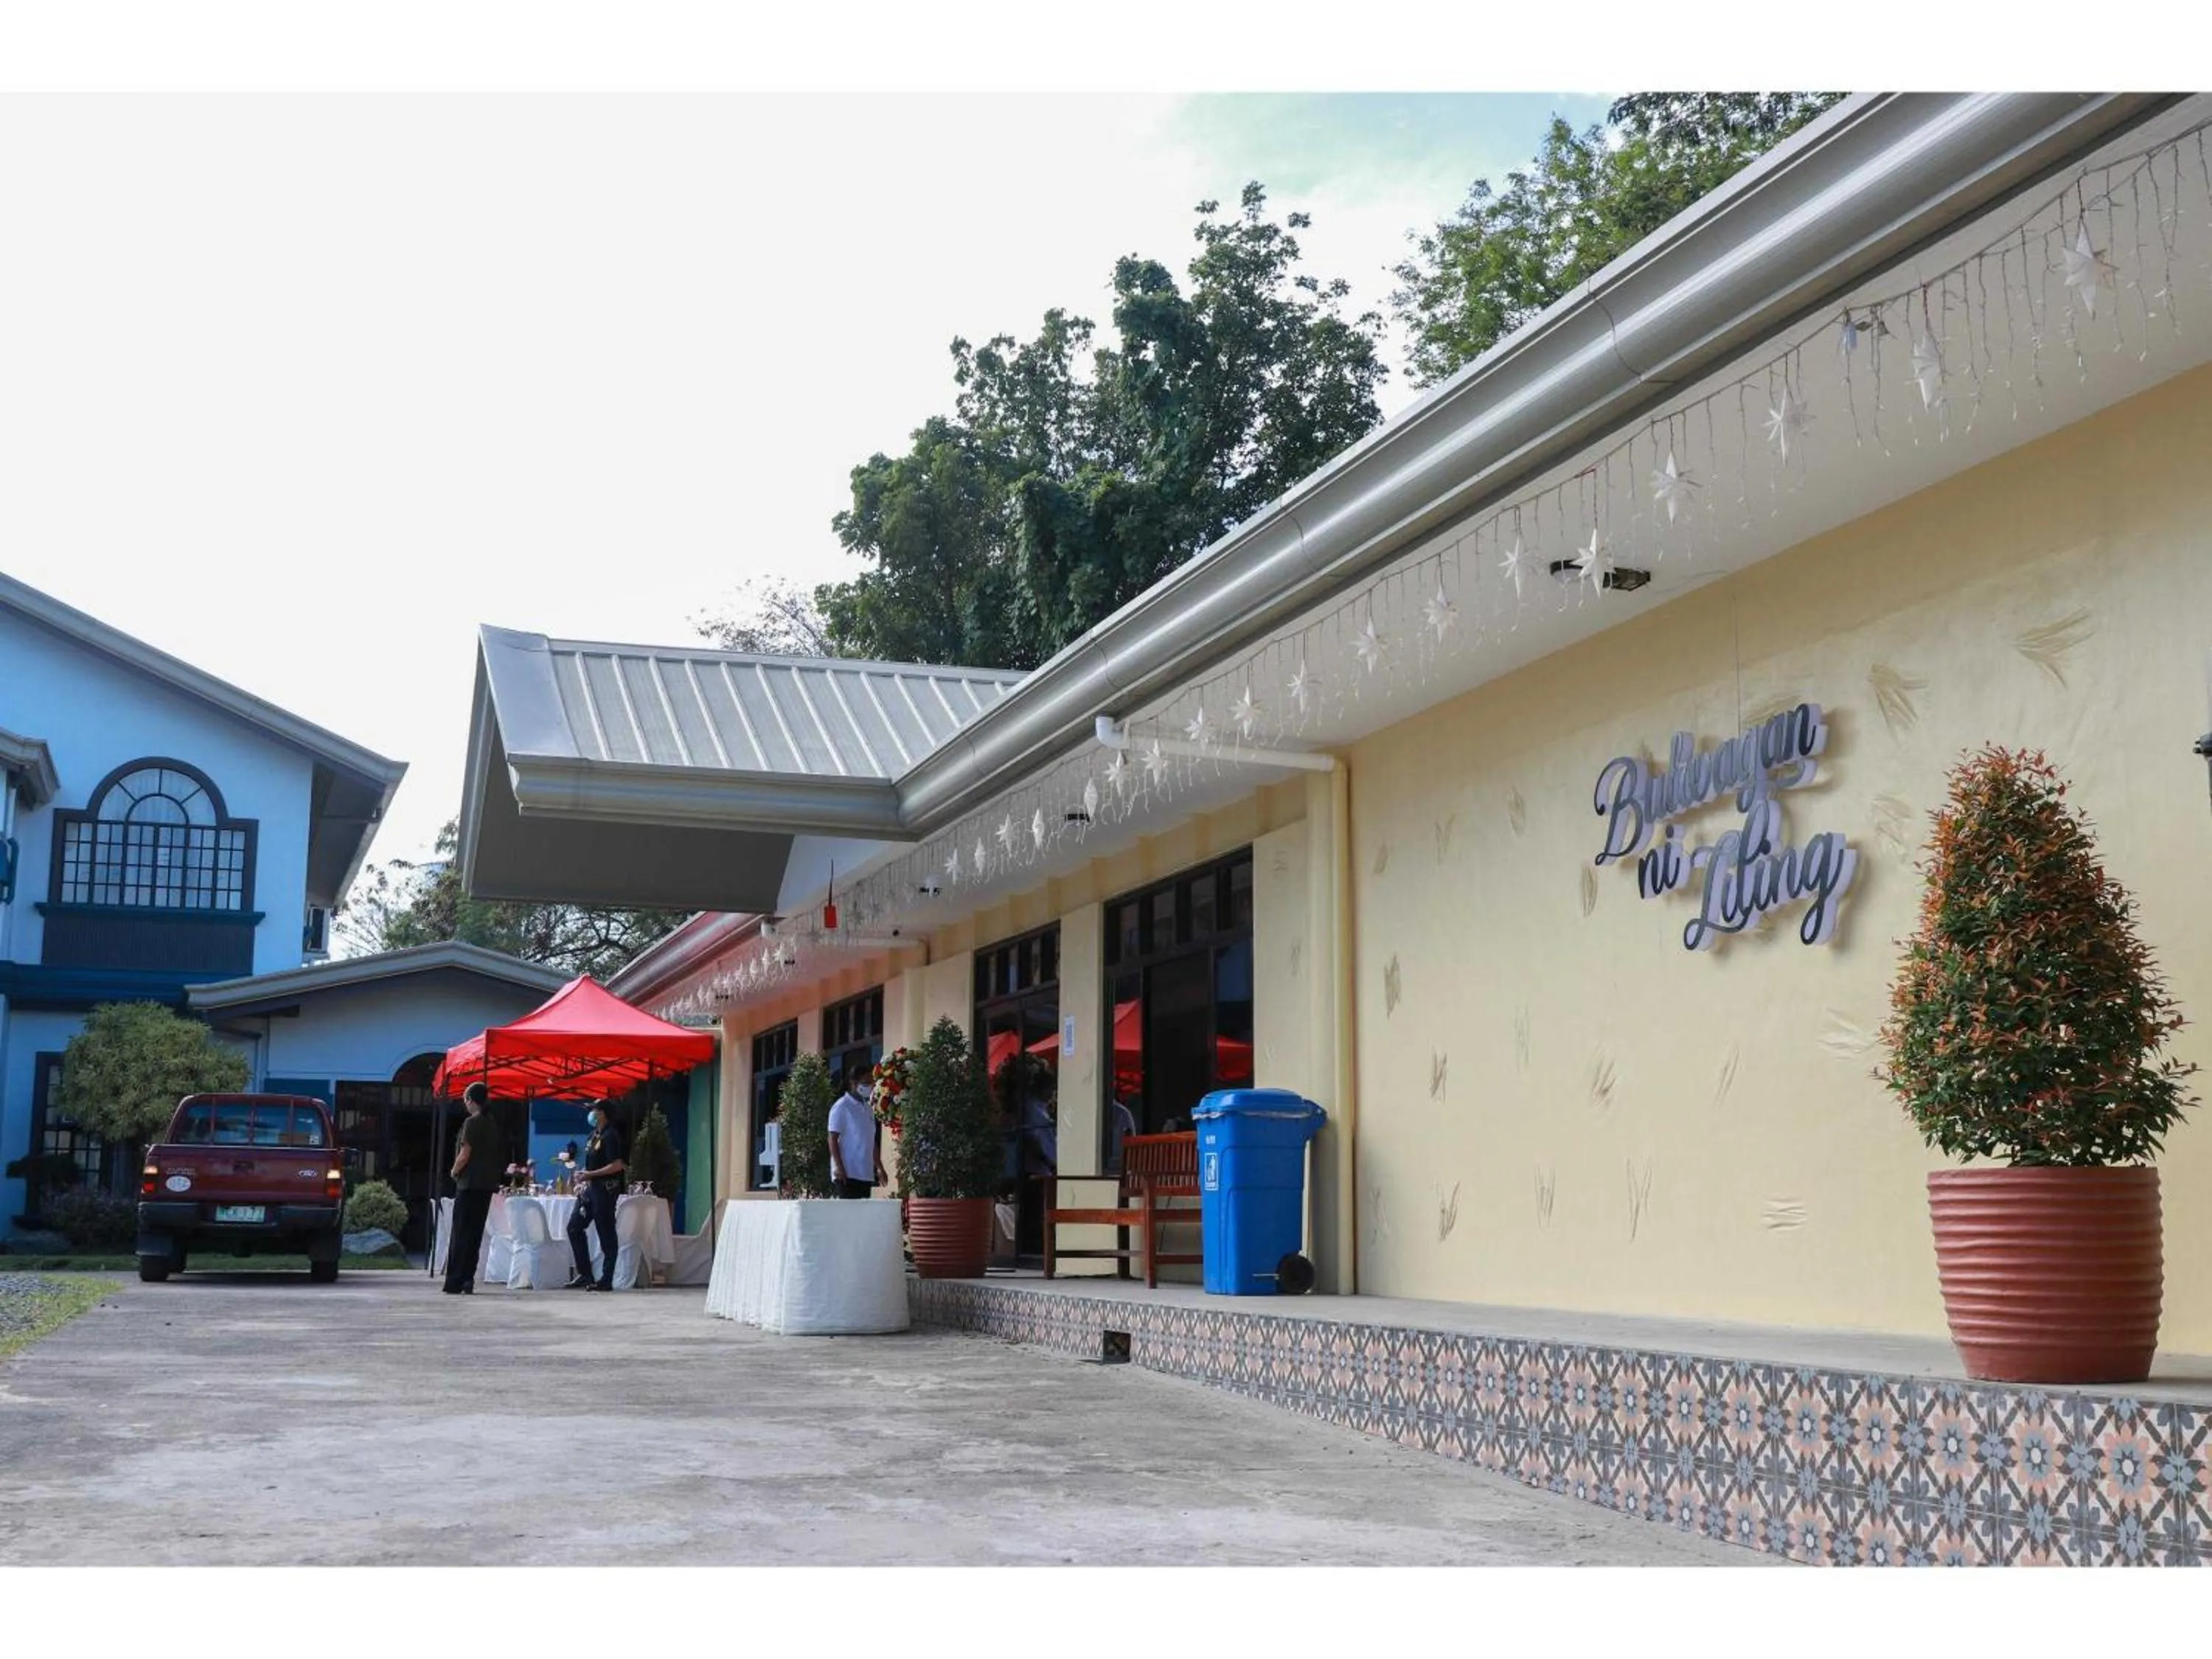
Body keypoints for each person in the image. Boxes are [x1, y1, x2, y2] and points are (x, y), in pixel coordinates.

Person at [443, 1082, 503, 1295]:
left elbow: (465, 1152)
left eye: (465, 1099)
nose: (465, 1104)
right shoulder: (491, 1122)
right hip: (486, 1184)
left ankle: (455, 1280)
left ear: (470, 1100)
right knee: (475, 1233)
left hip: (468, 1183)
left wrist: (454, 1170)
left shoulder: (471, 1122)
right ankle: (468, 1278)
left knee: (461, 1232)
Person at [566, 1100, 625, 1290]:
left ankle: (606, 1280)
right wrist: (583, 1175)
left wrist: (590, 1175)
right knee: (574, 1227)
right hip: (590, 1190)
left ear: (602, 1114)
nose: (590, 1113)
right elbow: (593, 1164)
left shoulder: (611, 1136)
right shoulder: (593, 1136)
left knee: (606, 1233)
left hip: (605, 1191)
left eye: (594, 1110)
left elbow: (617, 1165)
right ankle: (585, 1274)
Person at [827, 1062, 879, 1199]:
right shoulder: (842, 1107)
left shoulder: (868, 1108)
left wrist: (879, 1167)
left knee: (861, 1218)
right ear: (853, 1083)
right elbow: (832, 1139)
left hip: (865, 1173)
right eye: (866, 1083)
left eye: (871, 1082)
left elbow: (871, 1140)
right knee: (848, 1217)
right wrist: (838, 1167)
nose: (870, 1086)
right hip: (847, 1174)